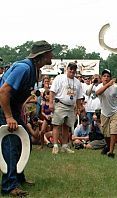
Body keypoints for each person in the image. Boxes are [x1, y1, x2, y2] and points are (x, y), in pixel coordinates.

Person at [0, 40, 53, 196]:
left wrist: (19, 108)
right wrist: (9, 116)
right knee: (12, 142)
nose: (53, 55)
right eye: (50, 52)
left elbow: (23, 92)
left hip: (12, 108)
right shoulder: (23, 68)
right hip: (3, 107)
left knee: (26, 140)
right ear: (43, 55)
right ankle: (9, 185)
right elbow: (3, 92)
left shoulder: (35, 70)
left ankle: (18, 177)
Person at [49, 62, 83, 154]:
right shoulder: (59, 78)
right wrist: (51, 103)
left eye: (74, 69)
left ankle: (64, 145)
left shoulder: (77, 82)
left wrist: (79, 107)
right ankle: (55, 145)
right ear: (67, 69)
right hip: (60, 104)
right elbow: (52, 92)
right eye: (70, 69)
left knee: (67, 127)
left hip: (71, 106)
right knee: (56, 125)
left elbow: (79, 97)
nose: (72, 71)